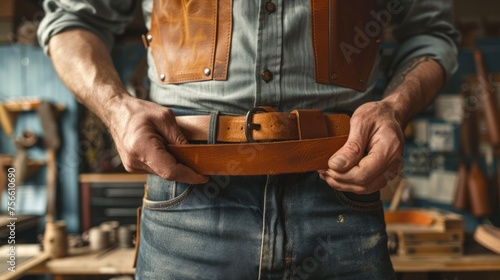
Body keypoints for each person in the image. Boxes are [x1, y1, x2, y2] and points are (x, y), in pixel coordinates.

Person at [38, 0, 459, 279]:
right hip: (189, 200)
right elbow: (73, 20)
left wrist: (395, 107)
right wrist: (115, 107)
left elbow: (432, 34)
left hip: (341, 193)